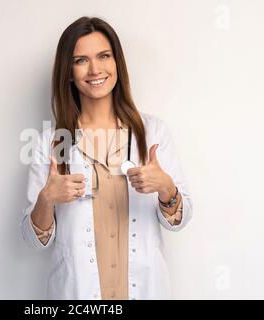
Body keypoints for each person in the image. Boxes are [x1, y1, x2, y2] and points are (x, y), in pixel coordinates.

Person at [20, 16, 193, 300]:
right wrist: (46, 199)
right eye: (81, 60)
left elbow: (180, 220)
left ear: (117, 63)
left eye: (104, 56)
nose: (95, 69)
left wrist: (166, 188)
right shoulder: (52, 142)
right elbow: (33, 240)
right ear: (68, 71)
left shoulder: (152, 132)